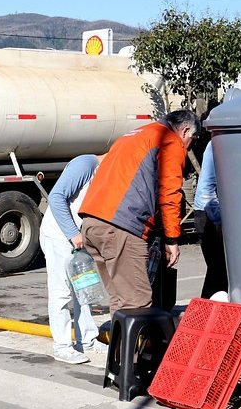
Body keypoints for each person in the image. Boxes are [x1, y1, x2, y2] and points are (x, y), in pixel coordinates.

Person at [79, 110, 200, 313]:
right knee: (138, 304)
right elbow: (170, 193)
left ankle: (120, 346)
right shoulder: (169, 140)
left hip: (92, 223)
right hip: (121, 228)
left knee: (120, 302)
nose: (189, 147)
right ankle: (139, 346)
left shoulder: (135, 135)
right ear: (185, 130)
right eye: (192, 140)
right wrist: (171, 239)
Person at [40, 154, 107, 364]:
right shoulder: (85, 164)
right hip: (59, 236)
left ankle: (87, 340)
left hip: (77, 239)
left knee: (83, 289)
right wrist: (72, 233)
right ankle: (62, 346)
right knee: (62, 292)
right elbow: (56, 196)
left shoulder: (102, 171)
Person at [193, 140, 227, 299]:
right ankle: (206, 316)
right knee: (218, 272)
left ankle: (205, 316)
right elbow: (207, 188)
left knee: (217, 273)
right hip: (210, 213)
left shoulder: (216, 143)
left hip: (208, 212)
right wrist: (220, 219)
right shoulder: (219, 143)